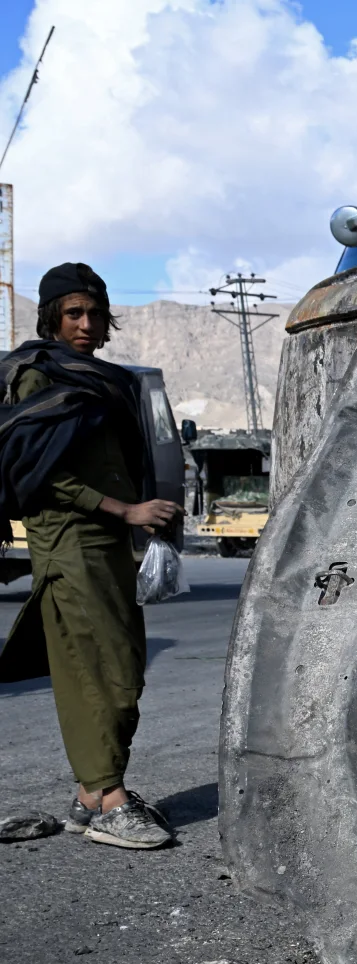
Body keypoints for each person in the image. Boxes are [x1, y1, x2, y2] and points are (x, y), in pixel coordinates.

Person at [0, 262, 178, 848]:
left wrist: (147, 517)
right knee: (97, 672)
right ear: (52, 318)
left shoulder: (108, 381)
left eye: (95, 313)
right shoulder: (36, 375)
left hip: (110, 543)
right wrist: (124, 510)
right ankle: (110, 798)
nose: (86, 324)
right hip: (66, 540)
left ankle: (88, 796)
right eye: (73, 313)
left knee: (124, 667)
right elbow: (36, 472)